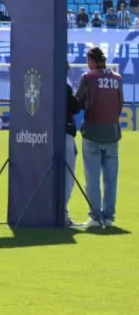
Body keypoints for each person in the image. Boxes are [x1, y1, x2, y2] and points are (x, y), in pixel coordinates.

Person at [75, 46, 124, 228]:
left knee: (92, 178)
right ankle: (109, 217)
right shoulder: (117, 78)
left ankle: (95, 217)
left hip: (93, 133)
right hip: (112, 133)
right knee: (111, 179)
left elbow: (76, 102)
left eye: (88, 61)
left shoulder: (87, 78)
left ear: (92, 61)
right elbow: (120, 104)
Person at [65, 65, 83, 226]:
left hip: (44, 136)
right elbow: (75, 107)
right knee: (67, 175)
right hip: (65, 134)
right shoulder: (64, 86)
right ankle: (62, 214)